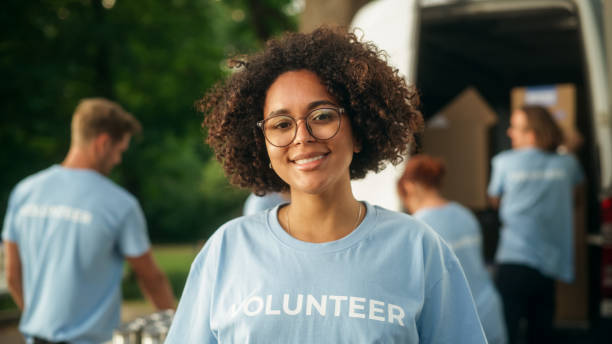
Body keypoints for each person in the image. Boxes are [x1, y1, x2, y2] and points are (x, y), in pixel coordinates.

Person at [165, 27, 486, 343]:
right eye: (281, 124)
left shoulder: (418, 249)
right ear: (261, 142)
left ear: (359, 130)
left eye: (322, 116)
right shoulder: (226, 250)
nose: (302, 136)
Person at [2, 98, 176, 344]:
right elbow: (151, 278)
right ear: (103, 143)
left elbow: (12, 275)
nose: (118, 160)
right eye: (119, 151)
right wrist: (176, 328)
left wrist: (36, 318)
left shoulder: (25, 192)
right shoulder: (120, 204)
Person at [487, 105, 584, 344]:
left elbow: (494, 201)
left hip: (513, 261)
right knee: (541, 333)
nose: (510, 132)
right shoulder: (568, 164)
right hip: (549, 265)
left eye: (515, 128)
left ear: (532, 134)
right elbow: (577, 199)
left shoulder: (503, 163)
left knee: (506, 331)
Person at [398, 154, 507, 344]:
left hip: (457, 325)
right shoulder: (466, 215)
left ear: (409, 186)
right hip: (488, 312)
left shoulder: (417, 228)